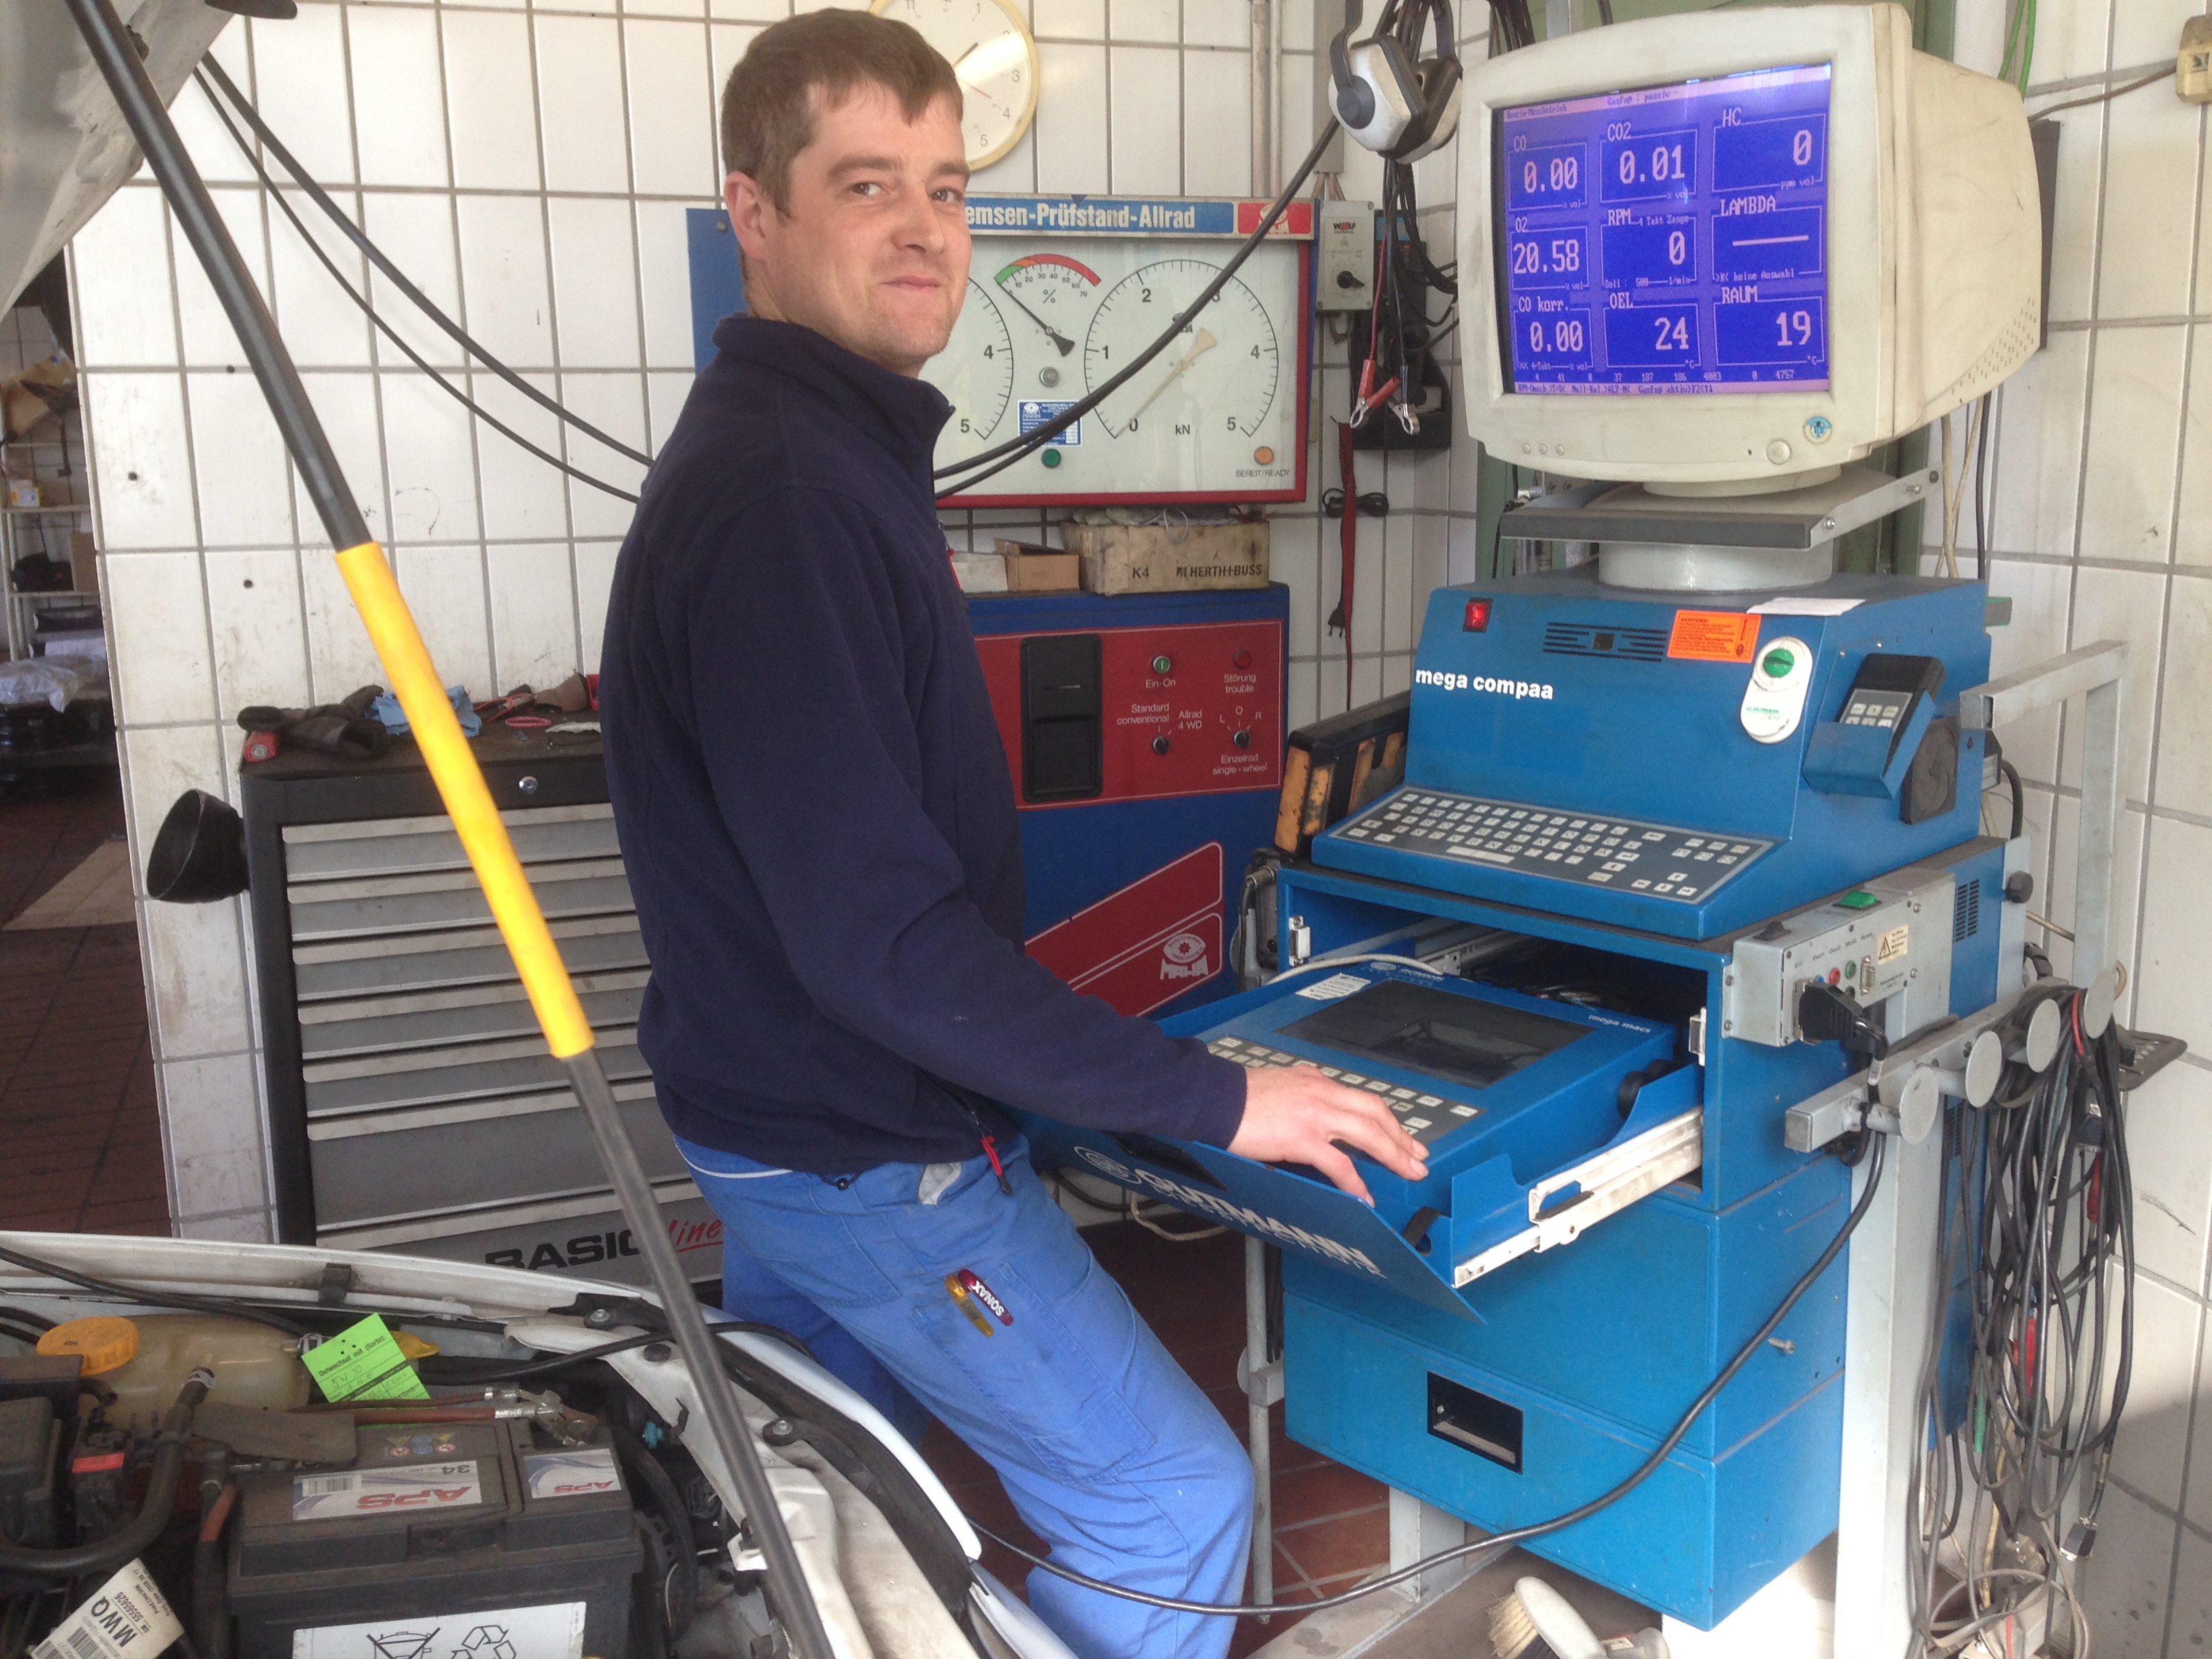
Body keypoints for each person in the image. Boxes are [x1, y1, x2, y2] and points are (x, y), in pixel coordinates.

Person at [596, 13, 1428, 1655]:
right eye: (866, 187)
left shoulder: (822, 448)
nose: (923, 228)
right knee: (1170, 1508)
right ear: (755, 212)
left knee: (814, 1505)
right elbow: (885, 944)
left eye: (948, 187)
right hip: (865, 1159)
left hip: (774, 1130)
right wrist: (1218, 1099)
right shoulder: (789, 500)